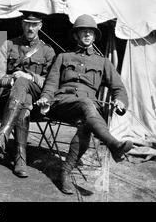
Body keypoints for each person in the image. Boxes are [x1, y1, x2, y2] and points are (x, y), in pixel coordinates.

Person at [36, 14, 133, 194]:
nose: (87, 35)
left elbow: (118, 87)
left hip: (85, 110)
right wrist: (45, 98)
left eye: (91, 32)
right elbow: (50, 83)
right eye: (83, 32)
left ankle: (65, 172)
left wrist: (120, 101)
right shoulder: (63, 57)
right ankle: (113, 144)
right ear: (76, 35)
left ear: (95, 36)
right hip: (62, 104)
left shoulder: (103, 62)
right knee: (87, 105)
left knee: (85, 123)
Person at [0, 12, 56, 177]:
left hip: (36, 99)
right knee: (23, 96)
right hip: (9, 96)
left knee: (25, 88)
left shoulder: (47, 51)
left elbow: (51, 82)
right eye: (27, 24)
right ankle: (20, 158)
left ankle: (3, 134)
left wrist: (30, 77)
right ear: (22, 24)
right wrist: (13, 78)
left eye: (34, 25)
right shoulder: (9, 44)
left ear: (40, 26)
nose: (30, 28)